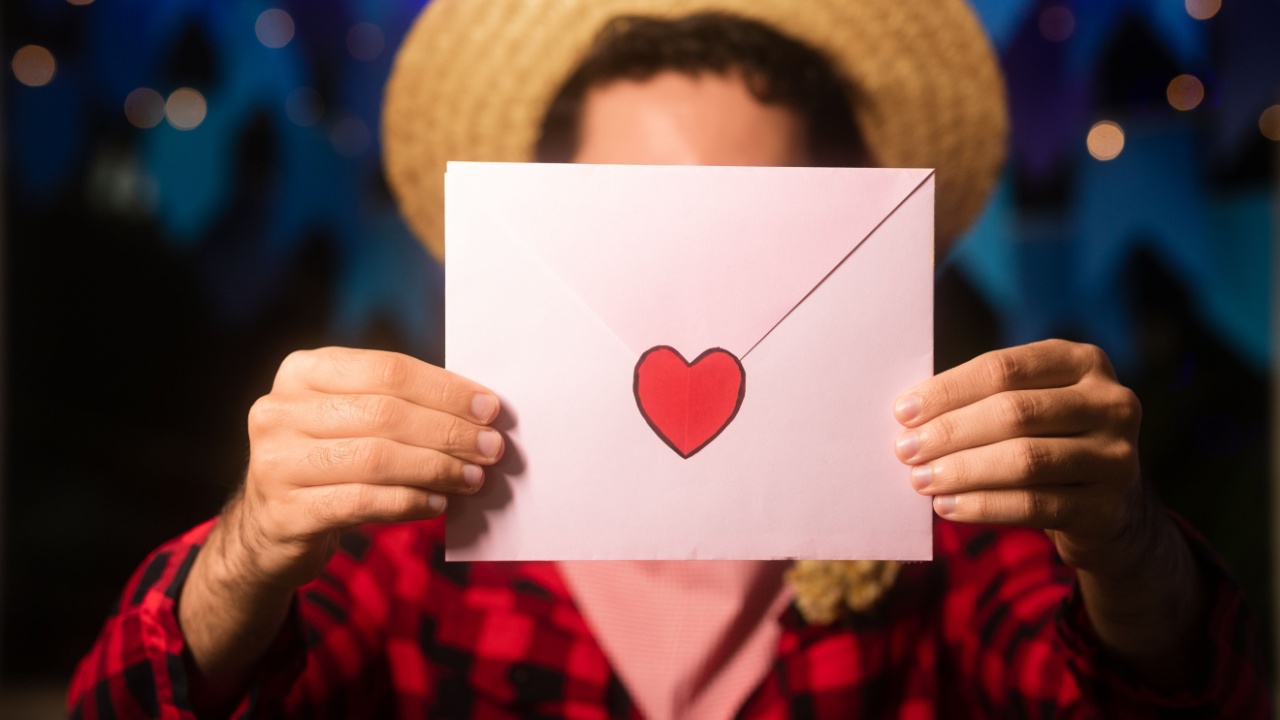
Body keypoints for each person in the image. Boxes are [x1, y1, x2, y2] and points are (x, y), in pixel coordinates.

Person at [69, 1, 1268, 717]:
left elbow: (1181, 700)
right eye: (632, 212)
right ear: (544, 223)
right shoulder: (411, 542)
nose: (692, 270)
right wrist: (245, 555)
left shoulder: (948, 540)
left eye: (754, 217)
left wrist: (1127, 547)